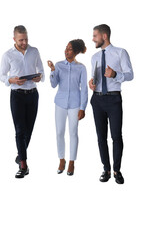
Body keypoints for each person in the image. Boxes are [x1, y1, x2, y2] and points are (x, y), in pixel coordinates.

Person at [88, 24, 134, 184]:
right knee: (101, 137)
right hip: (97, 99)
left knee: (116, 136)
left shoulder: (120, 52)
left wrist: (115, 74)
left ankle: (117, 170)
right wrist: (91, 83)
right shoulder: (94, 57)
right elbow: (94, 78)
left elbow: (130, 75)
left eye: (95, 36)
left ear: (104, 36)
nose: (93, 39)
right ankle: (106, 169)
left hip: (114, 99)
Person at [0, 25, 44, 178]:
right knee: (20, 130)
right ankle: (23, 165)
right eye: (21, 40)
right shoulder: (7, 55)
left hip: (33, 94)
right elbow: (2, 76)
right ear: (14, 39)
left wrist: (40, 77)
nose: (24, 42)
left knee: (29, 130)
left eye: (26, 39)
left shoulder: (34, 51)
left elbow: (42, 71)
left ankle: (20, 155)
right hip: (16, 95)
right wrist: (11, 80)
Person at [47, 39, 88, 176]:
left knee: (73, 132)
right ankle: (61, 159)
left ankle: (71, 162)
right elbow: (53, 84)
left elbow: (84, 90)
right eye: (66, 48)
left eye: (69, 49)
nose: (66, 50)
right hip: (60, 103)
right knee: (59, 132)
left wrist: (83, 107)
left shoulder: (81, 68)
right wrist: (53, 70)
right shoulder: (59, 65)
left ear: (75, 51)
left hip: (75, 104)